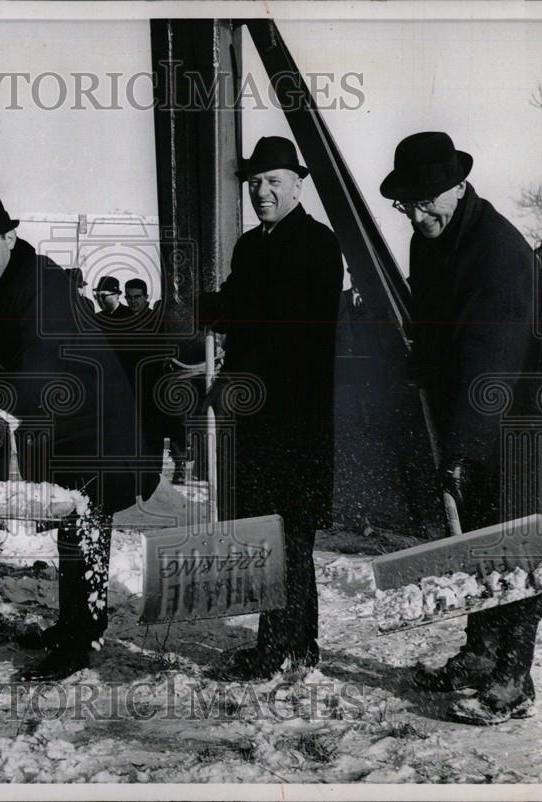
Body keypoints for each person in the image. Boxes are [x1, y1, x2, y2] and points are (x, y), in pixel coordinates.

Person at [380, 131, 542, 724]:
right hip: (474, 414)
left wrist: (460, 449)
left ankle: (514, 678)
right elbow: (437, 327)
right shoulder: (433, 239)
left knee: (521, 545)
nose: (418, 215)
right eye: (407, 205)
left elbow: (490, 360)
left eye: (428, 200)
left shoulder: (496, 251)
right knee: (480, 543)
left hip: (521, 423)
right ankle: (480, 651)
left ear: (458, 186)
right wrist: (420, 362)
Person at [0, 192, 155, 681]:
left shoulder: (42, 284)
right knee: (71, 530)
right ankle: (73, 624)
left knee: (86, 529)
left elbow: (41, 369)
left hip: (98, 425)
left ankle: (79, 644)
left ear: (10, 238)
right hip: (61, 425)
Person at [200, 135, 343, 681]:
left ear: (297, 185)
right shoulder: (251, 246)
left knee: (290, 536)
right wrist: (198, 308)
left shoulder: (317, 245)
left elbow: (280, 326)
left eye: (273, 182)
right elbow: (238, 303)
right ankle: (295, 644)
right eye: (255, 183)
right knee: (271, 535)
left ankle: (280, 646)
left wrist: (221, 320)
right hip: (256, 420)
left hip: (296, 420)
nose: (262, 191)